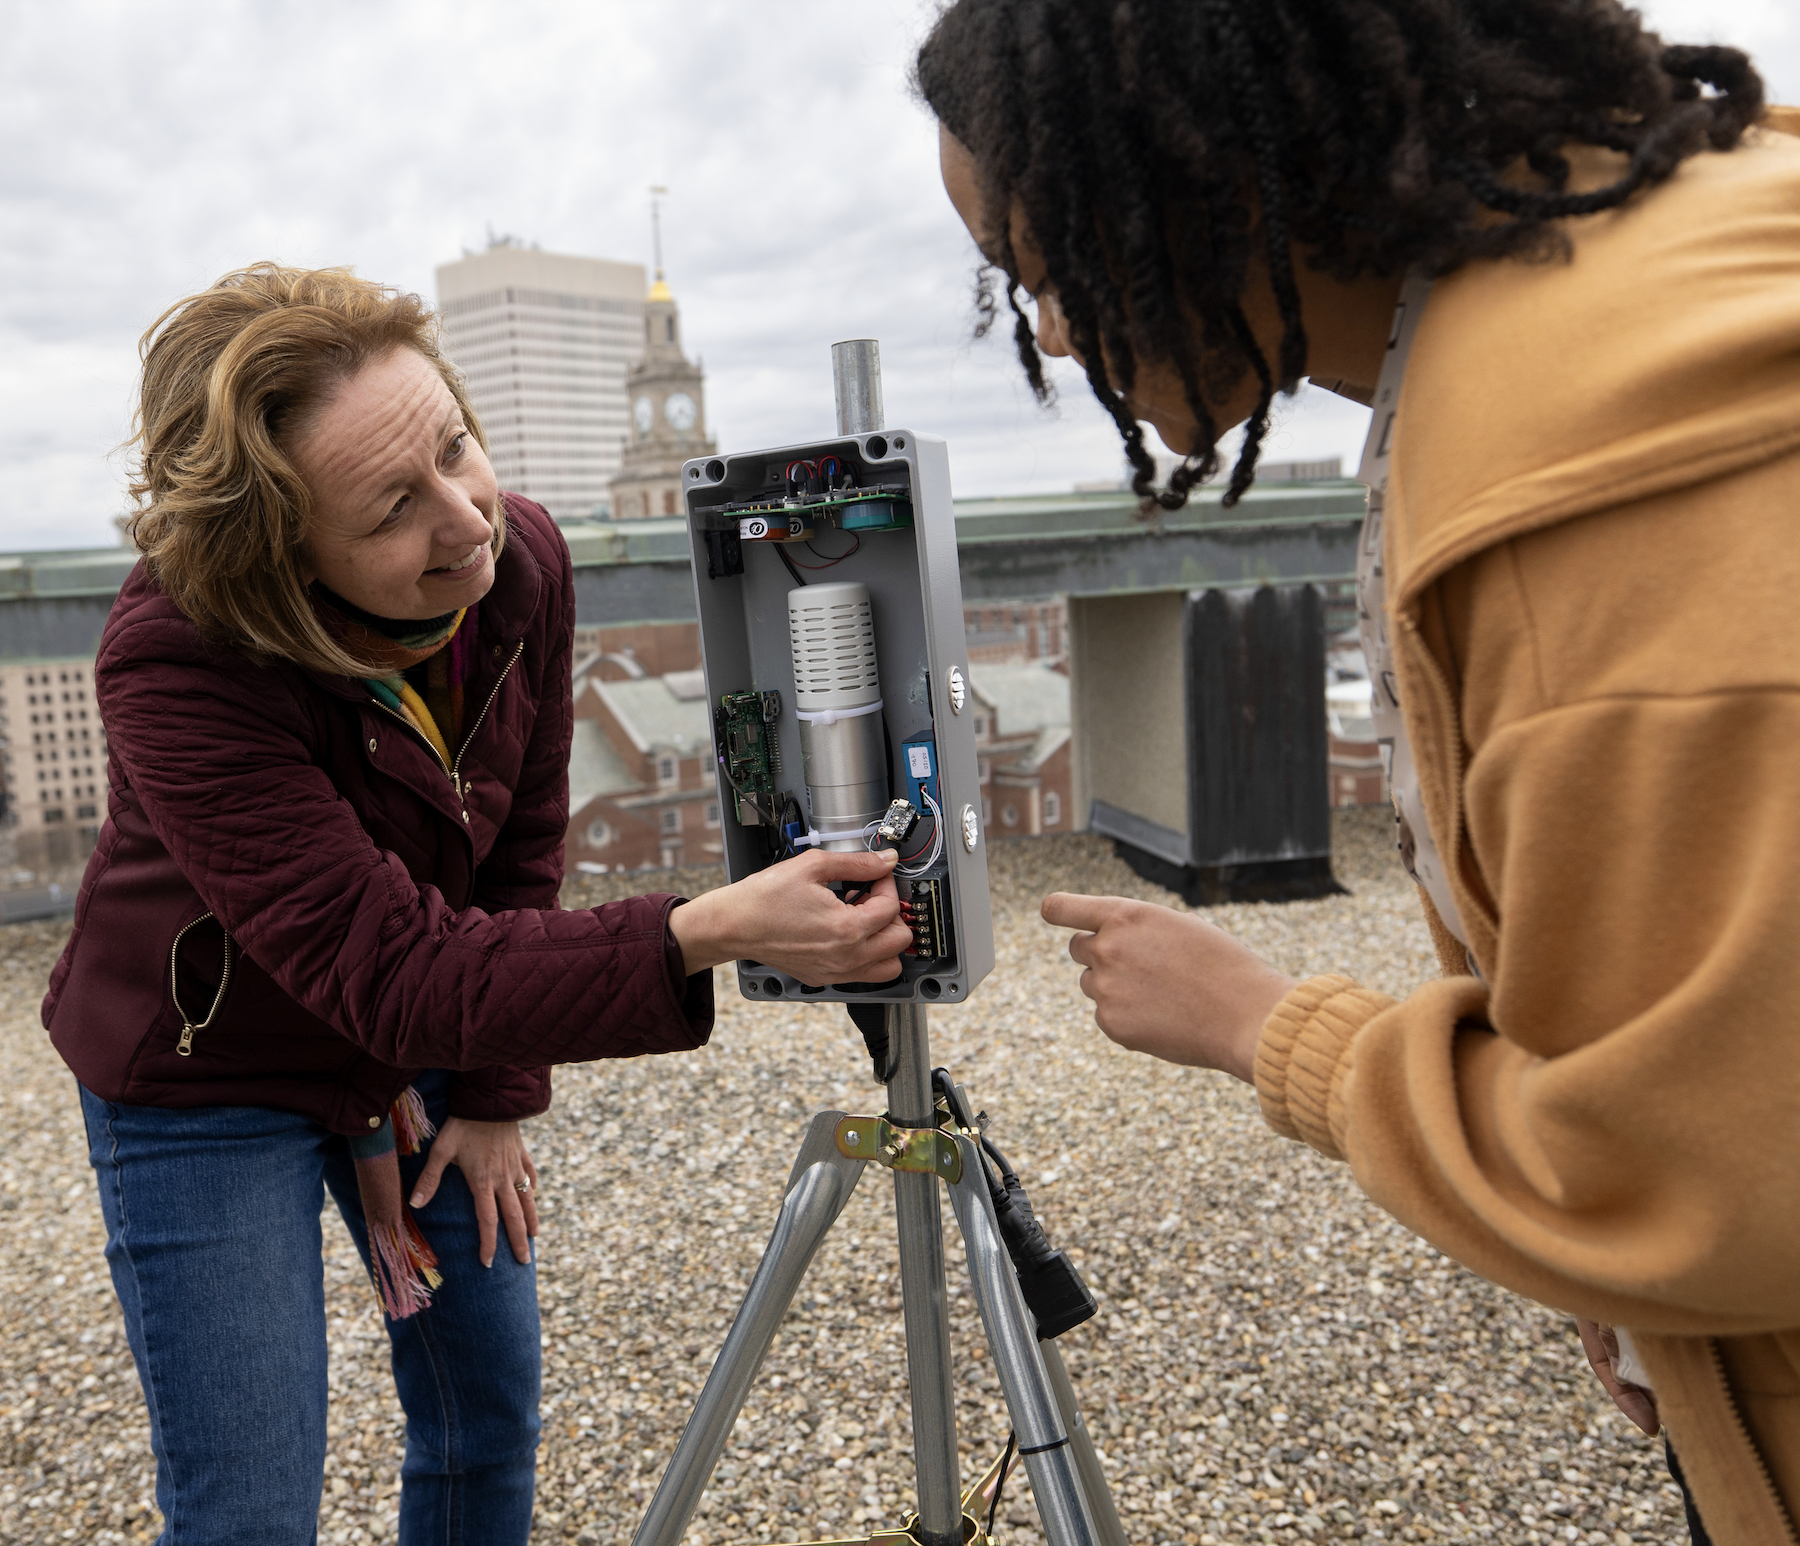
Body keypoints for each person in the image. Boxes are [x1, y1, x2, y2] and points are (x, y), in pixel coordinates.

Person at [916, 3, 1800, 1541]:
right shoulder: (1664, 247)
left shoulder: (1583, 467)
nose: (1049, 333)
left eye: (1044, 272)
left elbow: (1709, 1175)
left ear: (1193, 174)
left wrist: (1276, 1030)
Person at [50, 263, 913, 1546]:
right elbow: (391, 966)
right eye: (394, 506)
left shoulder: (519, 563)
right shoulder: (177, 659)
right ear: (278, 554)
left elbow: (518, 838)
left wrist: (500, 1089)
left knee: (488, 1416)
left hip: (427, 1027)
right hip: (208, 1073)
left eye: (457, 446)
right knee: (249, 1513)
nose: (468, 520)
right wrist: (709, 927)